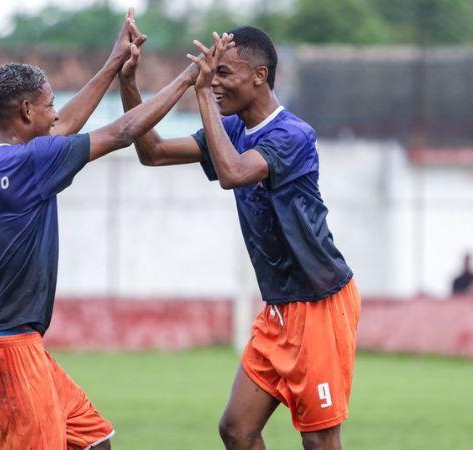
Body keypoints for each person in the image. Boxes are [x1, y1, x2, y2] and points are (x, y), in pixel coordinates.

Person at [0, 10, 208, 449]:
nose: (56, 114)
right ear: (26, 110)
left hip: (2, 343)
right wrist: (189, 78)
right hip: (9, 349)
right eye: (50, 104)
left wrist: (114, 63)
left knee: (94, 441)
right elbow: (122, 131)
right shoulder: (30, 163)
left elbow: (63, 129)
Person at [120, 26, 360, 450]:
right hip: (280, 308)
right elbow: (152, 153)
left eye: (224, 73)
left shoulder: (292, 134)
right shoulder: (231, 130)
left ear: (259, 75)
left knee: (320, 440)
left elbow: (233, 173)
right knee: (236, 429)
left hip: (318, 302)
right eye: (212, 74)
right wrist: (128, 83)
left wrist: (200, 93)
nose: (214, 83)